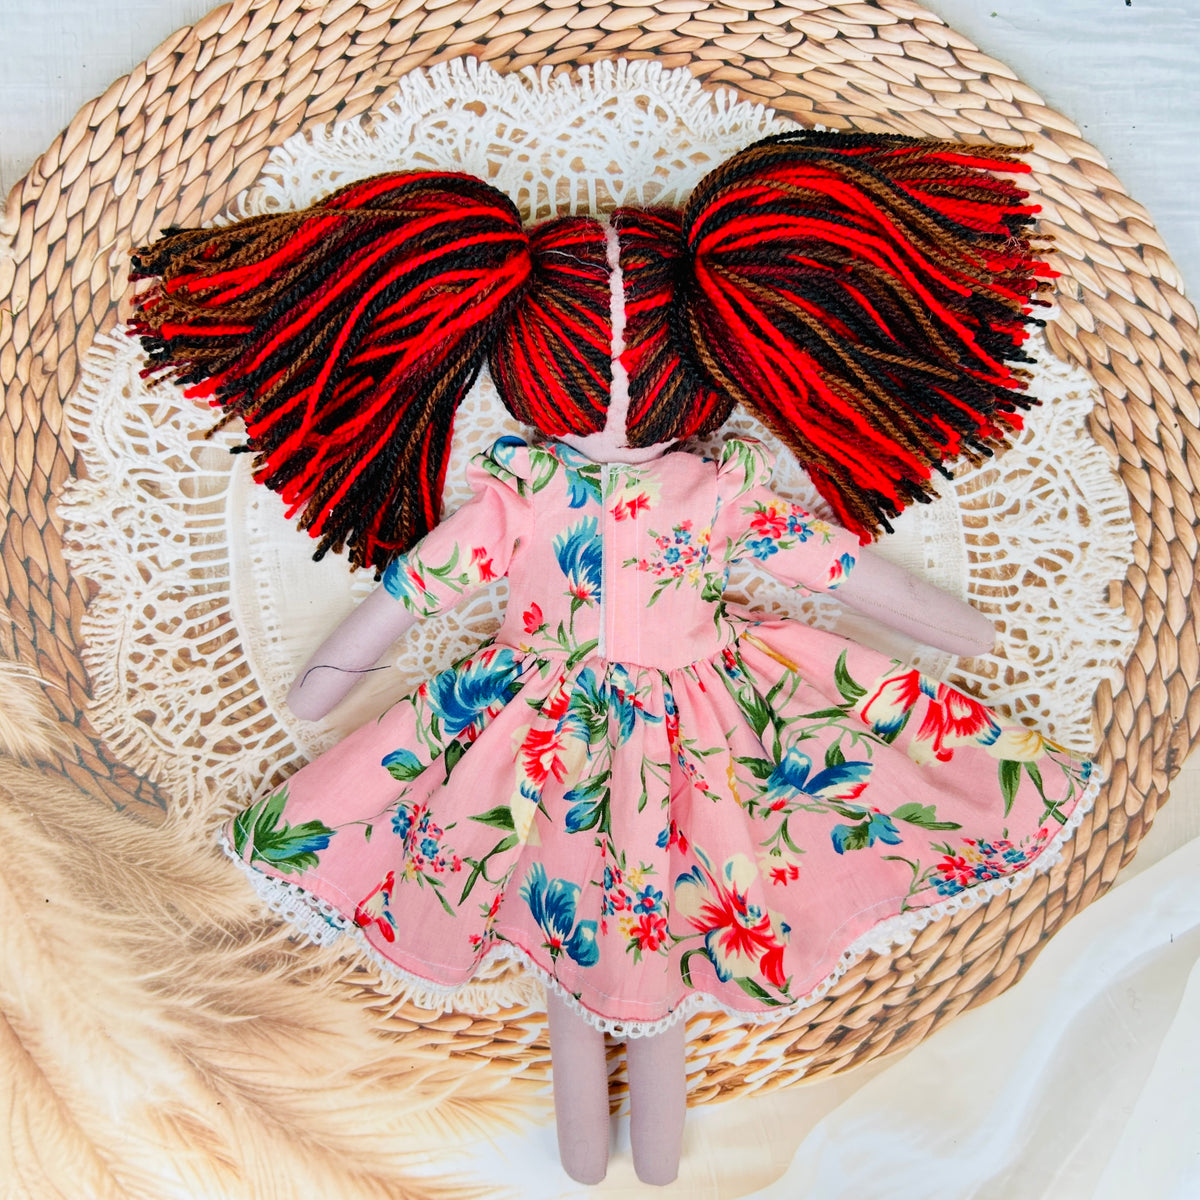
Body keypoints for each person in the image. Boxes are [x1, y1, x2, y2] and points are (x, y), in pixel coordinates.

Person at [131, 131, 1096, 1185]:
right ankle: (610, 1154)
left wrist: (329, 681)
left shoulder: (634, 496)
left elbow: (421, 591)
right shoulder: (569, 497)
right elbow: (424, 587)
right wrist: (957, 628)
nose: (618, 410)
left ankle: (622, 1153)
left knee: (626, 915)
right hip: (618, 721)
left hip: (581, 726)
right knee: (630, 917)